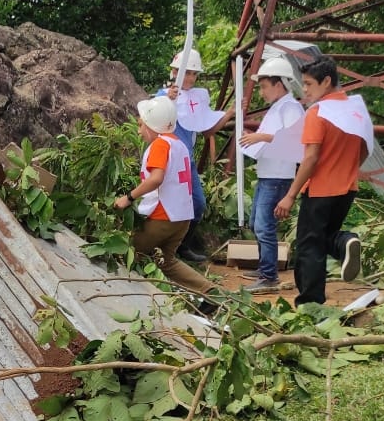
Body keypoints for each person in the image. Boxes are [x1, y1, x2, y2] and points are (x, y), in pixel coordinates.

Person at [274, 55, 371, 306]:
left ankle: (310, 304)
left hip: (320, 189)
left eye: (308, 84)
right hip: (347, 188)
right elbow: (364, 149)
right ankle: (344, 242)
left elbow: (311, 157)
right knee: (323, 236)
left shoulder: (318, 112)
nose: (304, 90)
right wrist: (347, 170)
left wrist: (290, 194)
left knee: (309, 247)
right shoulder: (355, 109)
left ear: (326, 81)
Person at [115, 96, 218, 298]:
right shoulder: (179, 144)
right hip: (182, 219)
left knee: (127, 252)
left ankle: (128, 297)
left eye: (141, 125)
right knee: (167, 261)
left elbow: (156, 178)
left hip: (163, 217)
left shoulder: (160, 145)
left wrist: (129, 197)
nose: (138, 131)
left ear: (152, 125)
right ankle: (210, 293)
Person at [159, 48, 233, 263]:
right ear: (175, 71)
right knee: (166, 203)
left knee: (197, 203)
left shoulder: (197, 98)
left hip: (187, 161)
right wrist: (167, 100)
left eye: (193, 73)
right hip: (168, 159)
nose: (190, 77)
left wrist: (228, 114)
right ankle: (162, 249)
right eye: (186, 72)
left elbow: (207, 130)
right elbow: (155, 122)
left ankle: (182, 247)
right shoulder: (164, 95)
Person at [239, 56, 305, 292]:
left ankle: (269, 276)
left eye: (264, 86)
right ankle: (265, 267)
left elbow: (295, 138)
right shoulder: (279, 107)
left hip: (278, 175)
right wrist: (254, 136)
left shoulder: (290, 107)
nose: (262, 92)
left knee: (263, 225)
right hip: (268, 172)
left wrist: (260, 137)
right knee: (257, 222)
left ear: (279, 84)